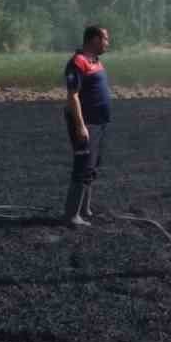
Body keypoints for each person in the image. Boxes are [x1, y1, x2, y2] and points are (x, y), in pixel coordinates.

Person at [63, 25, 112, 227]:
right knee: (82, 166)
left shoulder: (95, 61)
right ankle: (71, 216)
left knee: (92, 166)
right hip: (86, 123)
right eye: (105, 39)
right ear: (94, 39)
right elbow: (72, 96)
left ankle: (85, 210)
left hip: (99, 123)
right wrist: (81, 126)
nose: (108, 43)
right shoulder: (77, 62)